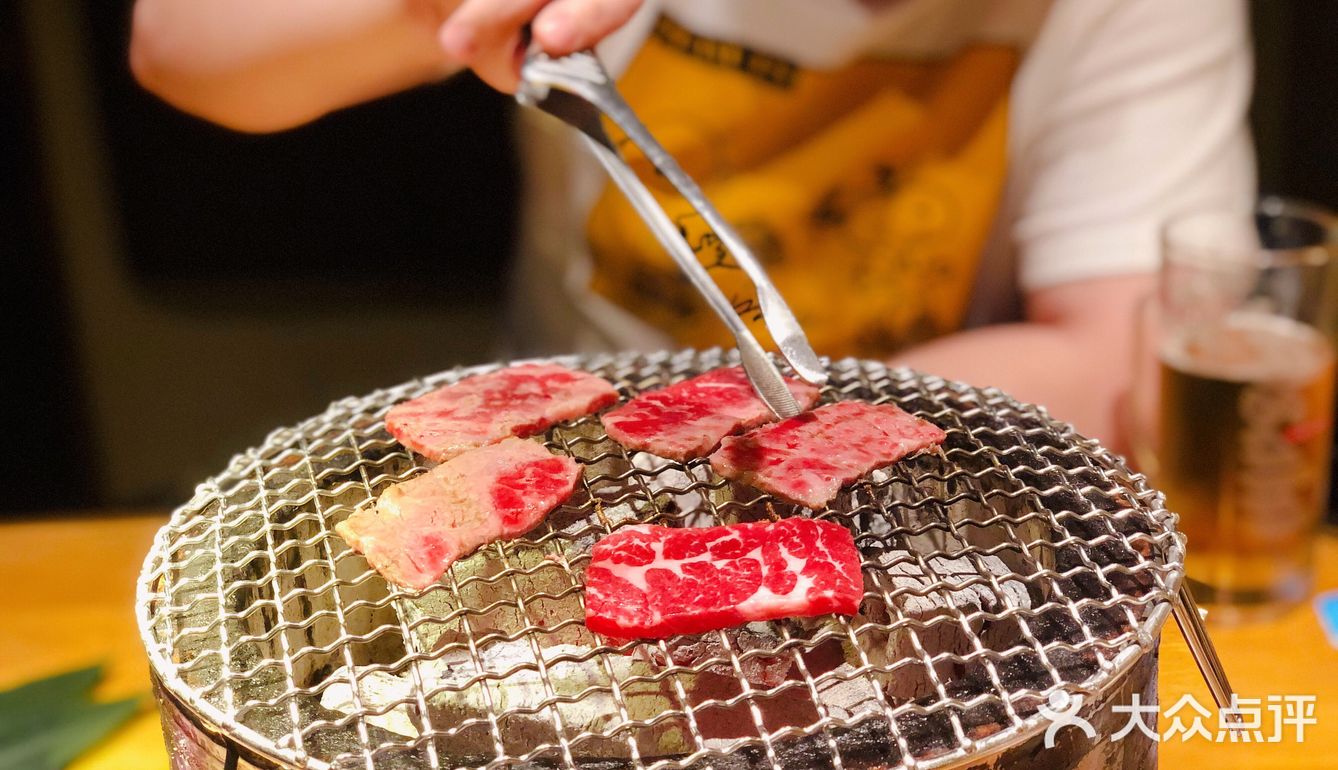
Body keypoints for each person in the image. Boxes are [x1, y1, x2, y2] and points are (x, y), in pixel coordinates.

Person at [128, 0, 1255, 447]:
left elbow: (1118, 355)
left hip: (907, 482)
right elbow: (187, 48)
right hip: (565, 441)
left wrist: (773, 436)